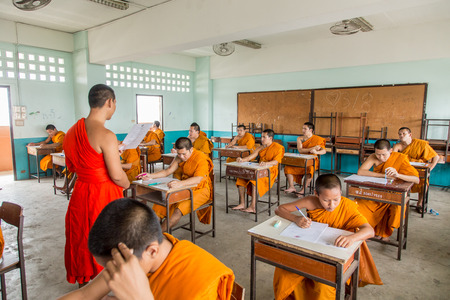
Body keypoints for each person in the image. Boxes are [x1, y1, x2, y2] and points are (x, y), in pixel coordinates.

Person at [58, 198, 234, 300]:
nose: (114, 272)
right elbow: (85, 295)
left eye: (116, 265)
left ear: (152, 251)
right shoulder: (141, 254)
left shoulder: (201, 290)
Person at [273, 174, 382, 300]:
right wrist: (296, 218)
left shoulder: (347, 206)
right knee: (284, 272)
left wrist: (351, 238)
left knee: (323, 285)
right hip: (310, 247)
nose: (332, 205)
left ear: (341, 193)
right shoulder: (310, 201)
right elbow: (279, 209)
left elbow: (369, 231)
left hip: (334, 253)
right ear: (316, 194)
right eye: (326, 200)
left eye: (336, 199)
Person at [63, 84, 130, 286]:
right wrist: (128, 183)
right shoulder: (107, 135)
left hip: (80, 192)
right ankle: (105, 285)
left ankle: (86, 282)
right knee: (106, 238)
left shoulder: (71, 132)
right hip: (102, 194)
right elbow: (117, 176)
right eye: (115, 103)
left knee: (82, 236)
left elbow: (75, 165)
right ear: (110, 102)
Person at [138, 137, 213, 230]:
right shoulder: (179, 157)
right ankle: (152, 232)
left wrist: (180, 184)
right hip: (184, 186)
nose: (181, 157)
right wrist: (151, 175)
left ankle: (160, 235)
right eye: (178, 154)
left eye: (184, 154)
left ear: (191, 149)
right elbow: (168, 171)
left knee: (178, 209)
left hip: (200, 190)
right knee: (162, 202)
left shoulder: (201, 158)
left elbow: (198, 179)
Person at [356, 139, 419, 241]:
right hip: (377, 191)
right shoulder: (373, 157)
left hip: (395, 193)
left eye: (384, 155)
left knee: (396, 209)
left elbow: (416, 179)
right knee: (359, 204)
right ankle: (367, 230)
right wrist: (383, 176)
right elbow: (361, 172)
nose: (381, 157)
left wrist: (397, 175)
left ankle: (384, 233)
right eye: (378, 154)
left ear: (390, 150)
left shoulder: (400, 158)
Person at [234, 129, 284, 213]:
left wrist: (266, 164)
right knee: (240, 179)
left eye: (264, 137)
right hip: (259, 169)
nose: (262, 139)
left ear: (270, 138)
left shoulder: (278, 147)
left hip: (270, 171)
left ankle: (252, 206)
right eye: (261, 137)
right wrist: (242, 160)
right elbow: (251, 156)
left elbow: (276, 161)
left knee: (255, 181)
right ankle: (242, 203)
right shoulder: (261, 147)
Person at [393, 127, 439, 213]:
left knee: (423, 183)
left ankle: (420, 203)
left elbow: (436, 157)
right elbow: (394, 158)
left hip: (420, 170)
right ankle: (401, 201)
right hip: (405, 171)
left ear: (410, 135)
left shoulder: (421, 144)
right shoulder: (398, 146)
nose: (401, 136)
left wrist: (430, 169)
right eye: (399, 134)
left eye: (404, 134)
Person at [284, 122, 326, 196]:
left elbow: (324, 151)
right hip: (301, 160)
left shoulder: (318, 139)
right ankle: (291, 187)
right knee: (288, 168)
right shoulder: (300, 138)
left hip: (312, 161)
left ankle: (303, 190)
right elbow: (300, 150)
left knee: (310, 170)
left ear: (310, 130)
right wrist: (312, 148)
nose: (303, 130)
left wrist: (316, 151)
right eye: (302, 128)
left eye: (305, 129)